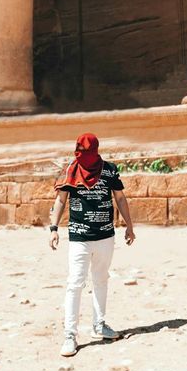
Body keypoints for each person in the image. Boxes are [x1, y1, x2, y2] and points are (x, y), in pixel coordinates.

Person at [47, 132, 134, 357]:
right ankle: (70, 335)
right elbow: (61, 200)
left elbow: (120, 198)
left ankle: (99, 325)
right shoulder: (71, 170)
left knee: (101, 280)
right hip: (79, 237)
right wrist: (54, 229)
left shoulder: (109, 170)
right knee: (75, 283)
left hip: (105, 235)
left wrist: (129, 226)